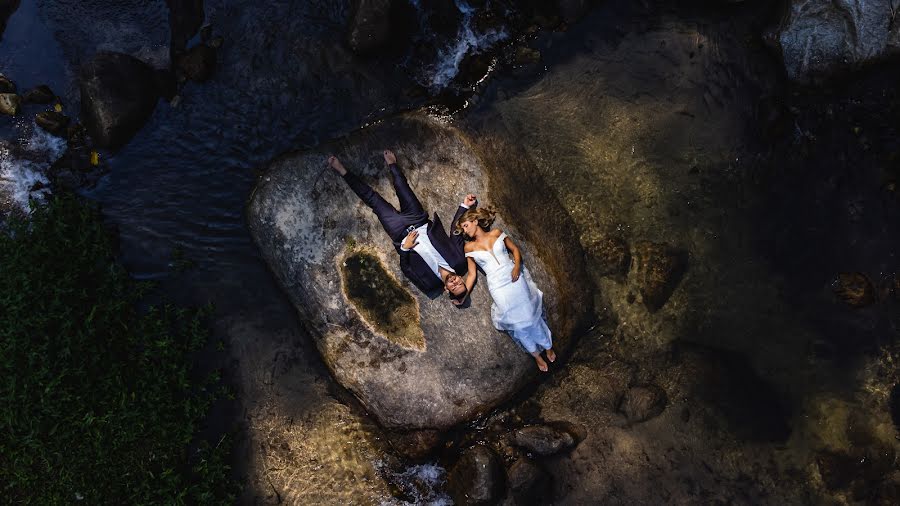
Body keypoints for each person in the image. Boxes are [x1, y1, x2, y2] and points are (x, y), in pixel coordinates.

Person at [328, 150, 475, 302]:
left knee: (373, 200)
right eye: (459, 283)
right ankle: (392, 165)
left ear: (446, 289)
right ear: (461, 279)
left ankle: (343, 171)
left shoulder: (430, 284)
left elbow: (407, 269)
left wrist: (405, 248)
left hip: (399, 231)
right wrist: (464, 206)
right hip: (418, 219)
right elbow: (456, 232)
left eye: (453, 287)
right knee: (401, 186)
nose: (455, 283)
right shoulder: (458, 260)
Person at [456, 207, 556, 371]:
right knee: (518, 325)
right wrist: (463, 294)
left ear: (475, 221)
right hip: (497, 287)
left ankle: (548, 346)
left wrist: (516, 267)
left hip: (514, 278)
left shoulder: (496, 233)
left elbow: (515, 250)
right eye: (463, 229)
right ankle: (536, 355)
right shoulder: (469, 248)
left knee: (531, 317)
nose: (465, 231)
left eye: (466, 225)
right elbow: (472, 274)